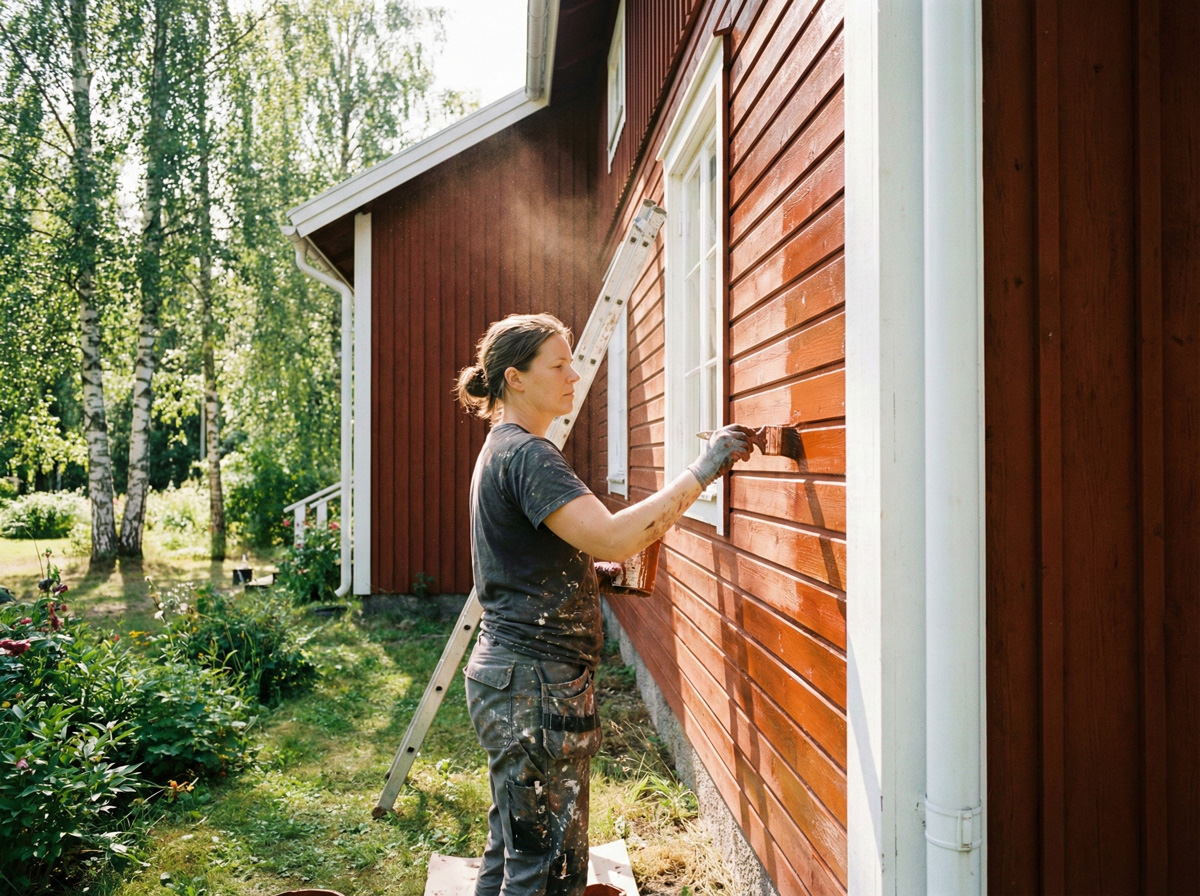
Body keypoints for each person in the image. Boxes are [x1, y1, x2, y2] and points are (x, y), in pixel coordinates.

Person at [455, 312, 754, 896]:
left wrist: (591, 576)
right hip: (533, 686)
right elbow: (616, 533)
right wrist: (707, 467)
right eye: (559, 365)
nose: (574, 375)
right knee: (547, 872)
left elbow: (523, 558)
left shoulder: (503, 449)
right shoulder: (529, 455)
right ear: (515, 378)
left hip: (510, 677)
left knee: (515, 850)